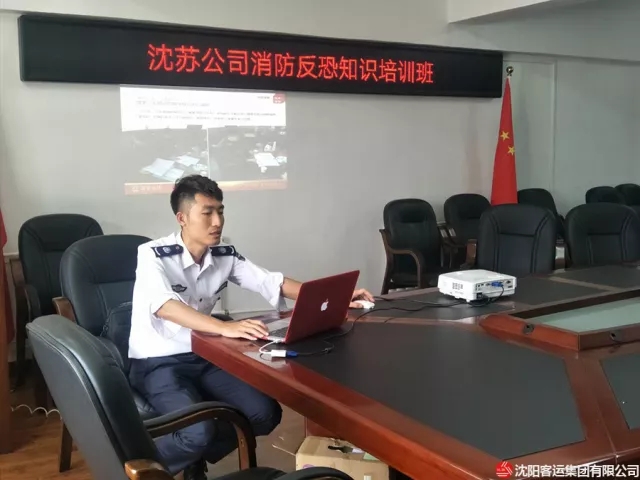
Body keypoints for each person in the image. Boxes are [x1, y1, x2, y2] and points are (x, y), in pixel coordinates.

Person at [128, 174, 374, 480]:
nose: (217, 222)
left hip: (204, 354)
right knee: (196, 432)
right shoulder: (152, 254)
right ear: (182, 218)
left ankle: (195, 455)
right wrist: (224, 328)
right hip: (157, 361)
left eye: (221, 211)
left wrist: (336, 297)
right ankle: (136, 472)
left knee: (263, 413)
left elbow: (272, 282)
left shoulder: (223, 255)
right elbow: (165, 306)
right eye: (207, 213)